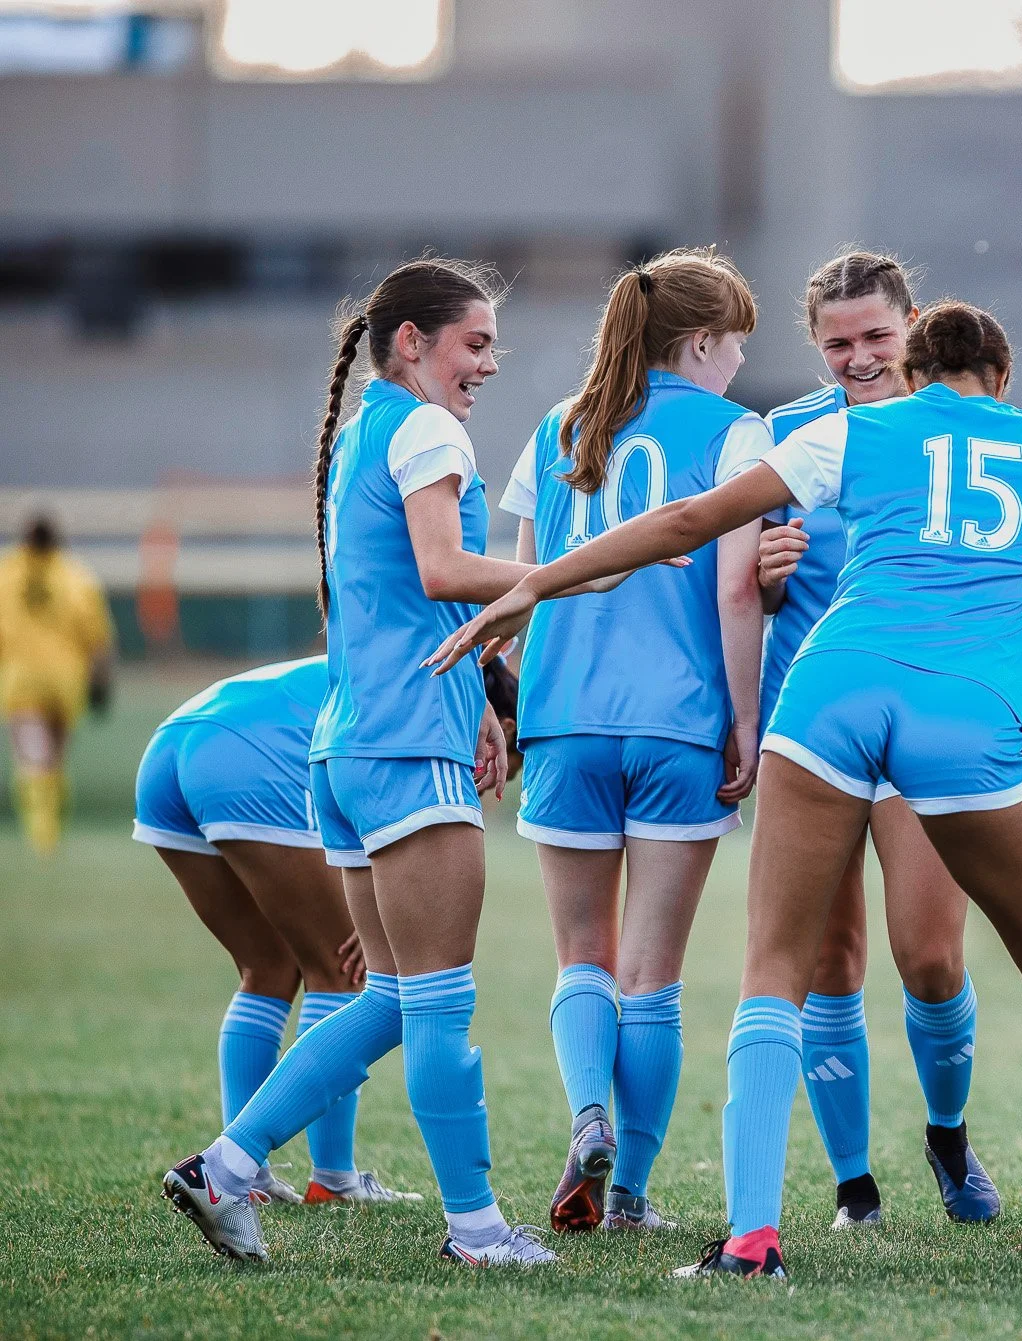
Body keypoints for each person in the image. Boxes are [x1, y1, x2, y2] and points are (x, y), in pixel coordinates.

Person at [424, 301, 1022, 1277]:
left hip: (833, 692)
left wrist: (538, 581)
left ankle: (751, 1240)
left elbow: (690, 521)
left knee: (773, 971)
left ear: (915, 371)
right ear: (997, 374)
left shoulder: (853, 426)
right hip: (967, 711)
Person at [163, 257, 589, 1267]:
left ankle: (224, 1168)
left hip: (347, 752)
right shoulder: (429, 428)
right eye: (474, 343)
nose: (488, 364)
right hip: (401, 750)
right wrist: (581, 570)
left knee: (393, 999)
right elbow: (444, 568)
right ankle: (478, 1231)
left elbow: (402, 595)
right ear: (413, 342)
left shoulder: (367, 430)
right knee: (440, 1003)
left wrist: (478, 695)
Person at [498, 248, 767, 1234]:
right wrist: (744, 718)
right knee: (652, 974)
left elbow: (517, 588)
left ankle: (586, 1116)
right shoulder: (737, 433)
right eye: (736, 345)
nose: (739, 365)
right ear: (700, 341)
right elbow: (737, 587)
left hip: (563, 715)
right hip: (678, 723)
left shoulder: (555, 428)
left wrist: (513, 707)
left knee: (580, 955)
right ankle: (632, 1198)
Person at [756, 251, 997, 1229]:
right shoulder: (789, 435)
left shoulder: (959, 433)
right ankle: (854, 1185)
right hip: (809, 721)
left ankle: (947, 1135)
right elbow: (751, 581)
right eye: (836, 345)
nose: (857, 359)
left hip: (926, 716)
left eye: (875, 338)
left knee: (930, 955)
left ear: (912, 328)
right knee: (828, 959)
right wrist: (766, 570)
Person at [136, 654, 520, 1208]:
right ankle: (331, 1178)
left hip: (170, 750)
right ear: (503, 729)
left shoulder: (404, 652)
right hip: (246, 757)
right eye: (501, 768)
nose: (488, 784)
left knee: (266, 968)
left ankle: (251, 1178)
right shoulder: (445, 699)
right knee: (339, 970)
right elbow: (383, 784)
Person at [0, 513, 113, 856]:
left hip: (21, 678)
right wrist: (101, 681)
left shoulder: (6, 574)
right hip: (66, 680)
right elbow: (98, 638)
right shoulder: (77, 577)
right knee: (56, 757)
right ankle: (54, 823)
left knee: (31, 757)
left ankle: (43, 832)